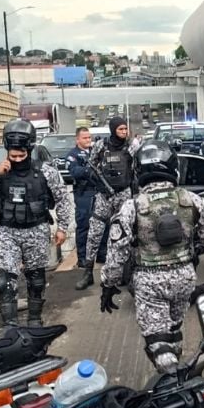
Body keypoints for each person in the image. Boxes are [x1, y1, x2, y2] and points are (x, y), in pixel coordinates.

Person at [99, 140, 204, 373]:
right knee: (174, 332)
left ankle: (173, 383)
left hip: (149, 282)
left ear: (139, 170)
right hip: (185, 278)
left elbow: (117, 252)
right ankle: (178, 374)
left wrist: (109, 284)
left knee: (158, 344)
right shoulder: (193, 201)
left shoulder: (132, 207)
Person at [0, 119, 73, 327]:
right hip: (7, 231)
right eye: (13, 156)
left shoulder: (45, 171)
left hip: (36, 230)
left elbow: (62, 198)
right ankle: (11, 327)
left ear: (29, 149)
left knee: (36, 280)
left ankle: (34, 320)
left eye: (21, 155)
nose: (16, 159)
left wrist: (63, 227)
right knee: (3, 283)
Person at [76, 116, 136, 290]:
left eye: (125, 129)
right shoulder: (101, 146)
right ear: (113, 130)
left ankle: (127, 272)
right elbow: (91, 165)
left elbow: (136, 167)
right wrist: (97, 180)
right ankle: (87, 272)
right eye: (120, 129)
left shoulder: (131, 146)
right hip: (104, 197)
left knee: (126, 234)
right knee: (94, 234)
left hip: (124, 195)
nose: (124, 132)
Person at [67, 127, 107, 268]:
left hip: (99, 191)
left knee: (103, 223)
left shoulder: (95, 152)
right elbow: (73, 171)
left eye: (89, 137)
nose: (88, 140)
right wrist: (88, 170)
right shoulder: (74, 155)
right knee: (84, 225)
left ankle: (102, 254)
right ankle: (82, 257)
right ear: (77, 139)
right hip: (84, 193)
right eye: (85, 138)